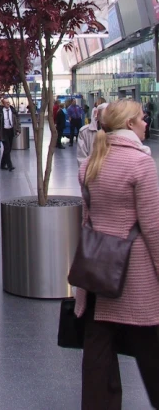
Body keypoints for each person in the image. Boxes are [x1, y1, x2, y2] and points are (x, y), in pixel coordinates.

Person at [75, 100, 159, 409]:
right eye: (141, 118)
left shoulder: (91, 163)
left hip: (97, 273)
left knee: (98, 354)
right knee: (151, 347)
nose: (146, 122)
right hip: (134, 276)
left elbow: (87, 220)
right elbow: (152, 227)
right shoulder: (140, 164)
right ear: (130, 124)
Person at [77, 102, 108, 167]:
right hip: (91, 172)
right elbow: (81, 157)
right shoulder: (85, 132)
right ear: (97, 115)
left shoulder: (117, 132)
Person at [0, 98, 20, 171]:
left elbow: (17, 121)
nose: (8, 104)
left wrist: (18, 130)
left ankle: (2, 165)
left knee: (8, 149)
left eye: (9, 102)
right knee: (7, 148)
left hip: (11, 131)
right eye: (6, 103)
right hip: (3, 131)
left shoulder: (13, 110)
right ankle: (10, 165)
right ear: (3, 104)